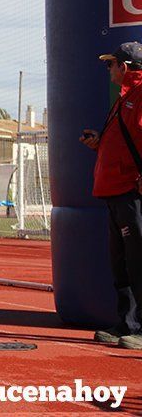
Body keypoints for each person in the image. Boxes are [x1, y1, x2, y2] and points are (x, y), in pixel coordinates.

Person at [81, 41, 142, 350]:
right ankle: (128, 322)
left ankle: (141, 327)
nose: (108, 68)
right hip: (115, 191)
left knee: (138, 260)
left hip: (132, 192)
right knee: (122, 262)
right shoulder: (124, 98)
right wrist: (99, 143)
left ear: (126, 67)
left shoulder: (140, 95)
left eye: (112, 64)